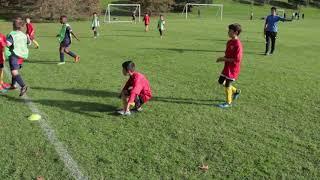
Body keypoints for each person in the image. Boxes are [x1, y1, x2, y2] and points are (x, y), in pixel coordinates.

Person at [216, 23, 243, 108]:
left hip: (233, 68)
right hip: (227, 67)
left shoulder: (238, 44)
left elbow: (237, 59)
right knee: (221, 81)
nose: (228, 32)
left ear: (235, 32)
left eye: (230, 31)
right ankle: (236, 91)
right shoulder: (229, 42)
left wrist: (224, 59)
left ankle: (228, 102)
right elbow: (227, 55)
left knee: (228, 84)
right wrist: (222, 58)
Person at [6, 17, 30, 96]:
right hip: (22, 55)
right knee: (15, 70)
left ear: (13, 25)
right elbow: (28, 43)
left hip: (15, 54)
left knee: (14, 71)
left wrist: (5, 40)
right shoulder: (23, 35)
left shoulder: (12, 34)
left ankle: (23, 86)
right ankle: (13, 85)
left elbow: (8, 44)